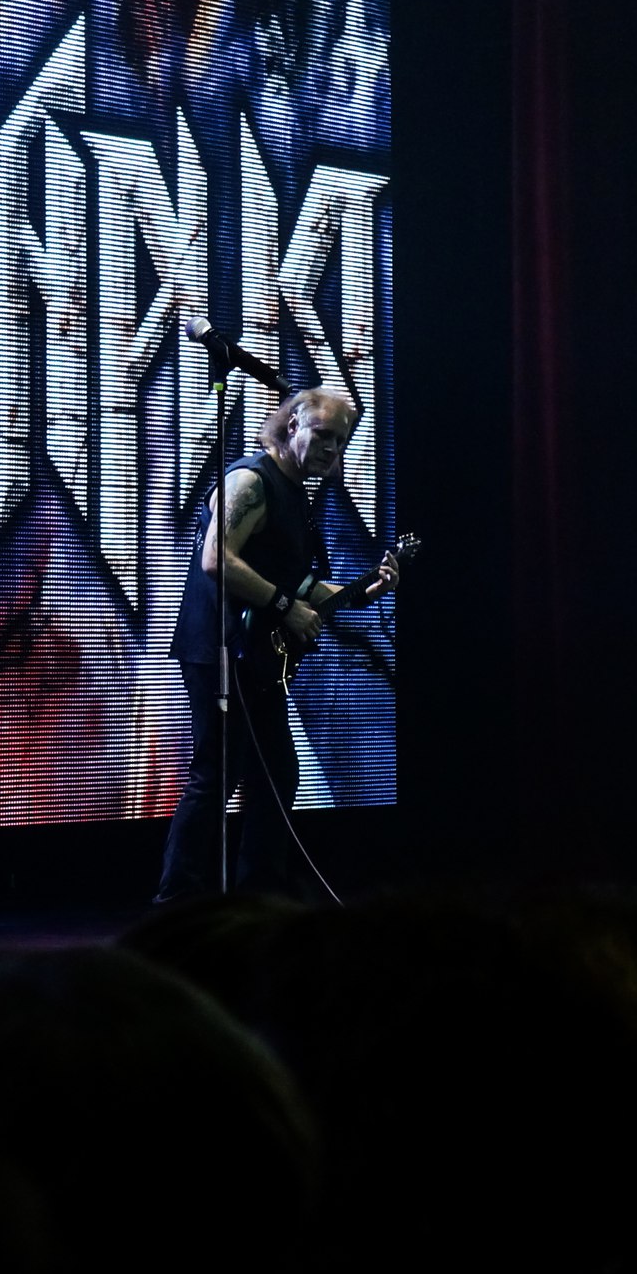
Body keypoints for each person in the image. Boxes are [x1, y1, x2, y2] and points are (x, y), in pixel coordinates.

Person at [156, 386, 395, 901]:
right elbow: (217, 560)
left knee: (277, 772)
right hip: (221, 648)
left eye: (341, 441)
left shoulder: (294, 494)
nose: (333, 449)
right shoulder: (252, 480)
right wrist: (286, 607)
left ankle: (260, 893)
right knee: (217, 774)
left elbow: (300, 585)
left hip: (256, 654)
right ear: (292, 427)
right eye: (324, 436)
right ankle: (177, 900)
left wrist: (364, 591)